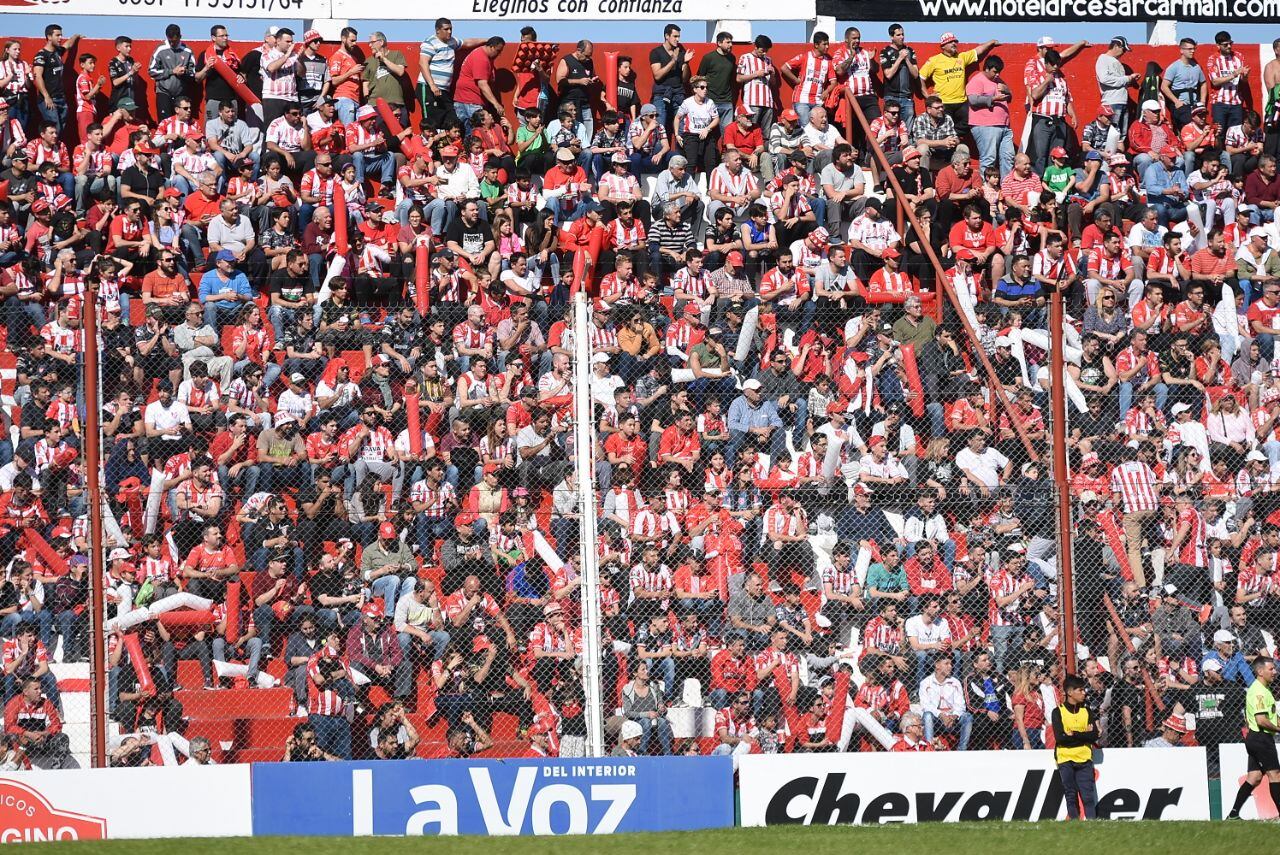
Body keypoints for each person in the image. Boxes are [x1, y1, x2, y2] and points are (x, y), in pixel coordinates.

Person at [1226, 656, 1280, 819]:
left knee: (1254, 777)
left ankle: (1233, 815)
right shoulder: (1258, 692)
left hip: (1257, 739)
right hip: (1261, 738)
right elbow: (1261, 720)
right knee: (1275, 775)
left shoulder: (1265, 690)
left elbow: (1272, 716)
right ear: (1260, 671)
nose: (1275, 672)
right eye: (1271, 669)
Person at [1051, 673, 1099, 820]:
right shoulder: (1058, 712)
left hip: (1084, 758)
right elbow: (1061, 739)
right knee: (1070, 794)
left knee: (1088, 795)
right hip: (1065, 758)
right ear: (1070, 692)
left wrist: (1074, 734)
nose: (1084, 693)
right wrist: (1084, 735)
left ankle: (1092, 823)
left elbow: (1094, 736)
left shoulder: (1087, 711)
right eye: (1080, 690)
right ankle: (1075, 823)